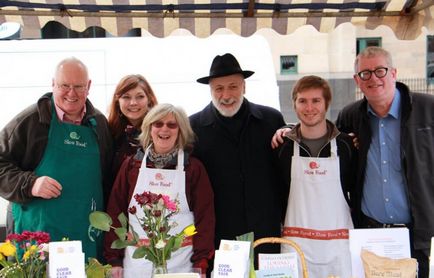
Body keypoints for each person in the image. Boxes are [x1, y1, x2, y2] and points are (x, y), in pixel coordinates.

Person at [0, 57, 114, 260]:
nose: (72, 93)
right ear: (53, 84)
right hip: (38, 235)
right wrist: (30, 183)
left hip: (85, 236)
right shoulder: (30, 121)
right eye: (64, 86)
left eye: (78, 86)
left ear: (88, 86)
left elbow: (107, 179)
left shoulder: (100, 124)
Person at [335, 46, 434, 278]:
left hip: (414, 235)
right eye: (365, 73)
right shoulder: (350, 116)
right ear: (357, 80)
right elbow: (323, 139)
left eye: (380, 70)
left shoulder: (428, 110)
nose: (373, 78)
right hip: (369, 234)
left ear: (394, 73)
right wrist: (286, 131)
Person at [190, 53, 287, 267]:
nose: (226, 95)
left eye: (233, 86)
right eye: (219, 88)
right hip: (219, 236)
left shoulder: (271, 120)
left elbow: (285, 174)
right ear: (211, 90)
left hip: (267, 233)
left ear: (244, 87)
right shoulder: (193, 127)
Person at [104, 103, 215, 277]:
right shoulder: (131, 166)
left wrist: (201, 263)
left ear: (181, 131)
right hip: (137, 263)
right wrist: (114, 261)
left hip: (181, 263)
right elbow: (116, 212)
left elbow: (204, 219)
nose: (165, 129)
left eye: (172, 125)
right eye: (158, 124)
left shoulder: (193, 168)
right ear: (149, 128)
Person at [276, 75, 357, 277]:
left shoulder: (347, 146)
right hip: (296, 247)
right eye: (302, 101)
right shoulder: (283, 148)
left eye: (316, 101)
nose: (309, 107)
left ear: (327, 103)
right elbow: (277, 194)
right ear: (294, 105)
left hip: (338, 249)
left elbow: (357, 190)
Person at [107, 74, 158, 173]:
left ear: (149, 99)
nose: (133, 103)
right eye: (126, 97)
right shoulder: (109, 132)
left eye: (140, 97)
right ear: (117, 101)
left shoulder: (161, 132)